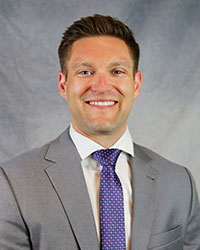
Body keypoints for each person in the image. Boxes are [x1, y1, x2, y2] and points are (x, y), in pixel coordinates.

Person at [0, 14, 199, 250]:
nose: (102, 87)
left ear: (136, 84)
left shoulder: (179, 183)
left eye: (117, 71)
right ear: (63, 85)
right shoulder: (13, 184)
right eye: (85, 72)